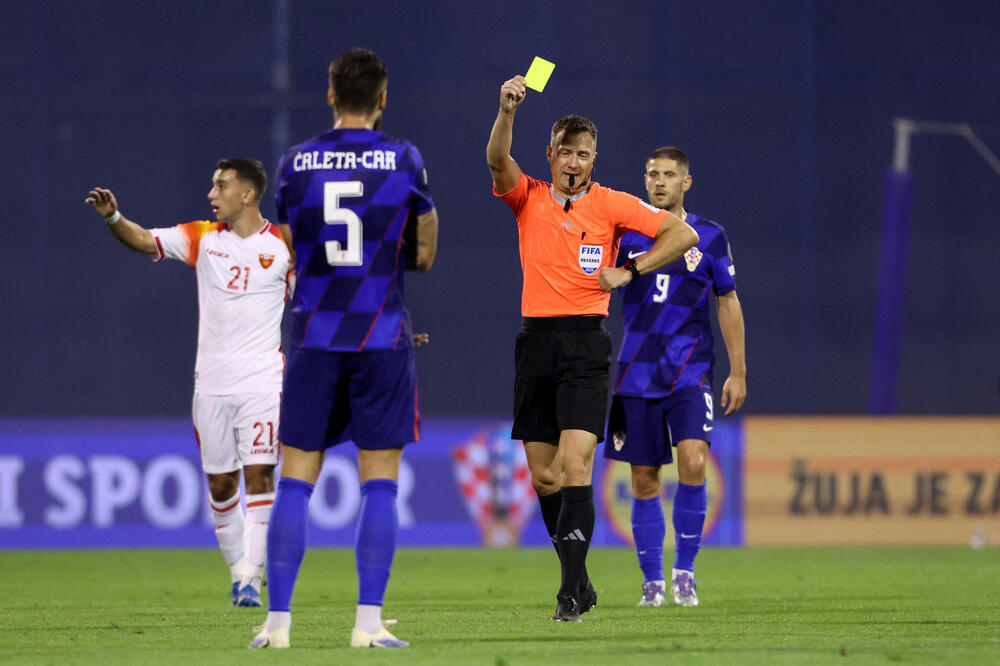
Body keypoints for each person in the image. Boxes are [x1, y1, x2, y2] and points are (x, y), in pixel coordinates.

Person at [487, 76, 699, 622]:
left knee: (576, 464)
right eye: (566, 152)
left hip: (585, 344)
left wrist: (631, 269)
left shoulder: (611, 203)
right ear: (550, 155)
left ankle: (567, 597)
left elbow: (683, 235)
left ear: (594, 159)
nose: (574, 162)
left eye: (584, 154)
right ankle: (580, 582)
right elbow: (496, 160)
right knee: (544, 476)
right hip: (535, 343)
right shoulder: (529, 197)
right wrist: (507, 112)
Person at [250, 48, 438, 650]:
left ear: (331, 96)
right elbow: (424, 253)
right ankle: (367, 625)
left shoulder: (294, 163)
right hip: (380, 335)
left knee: (295, 480)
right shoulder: (404, 159)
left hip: (314, 335)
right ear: (382, 99)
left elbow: (292, 244)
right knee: (379, 481)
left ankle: (277, 626)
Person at [85, 158, 291, 608]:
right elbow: (143, 239)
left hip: (263, 383)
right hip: (211, 386)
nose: (212, 194)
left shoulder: (283, 245)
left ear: (248, 194)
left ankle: (251, 579)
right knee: (221, 486)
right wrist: (114, 217)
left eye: (221, 186)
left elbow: (318, 302)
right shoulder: (203, 237)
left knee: (260, 476)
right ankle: (239, 571)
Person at [606, 146, 747, 607]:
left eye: (669, 175)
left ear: (686, 182)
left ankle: (685, 572)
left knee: (694, 461)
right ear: (644, 180)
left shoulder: (710, 236)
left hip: (691, 371)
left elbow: (727, 301)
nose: (660, 181)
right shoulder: (624, 234)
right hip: (635, 374)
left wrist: (738, 371)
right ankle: (653, 583)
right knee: (644, 479)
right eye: (653, 174)